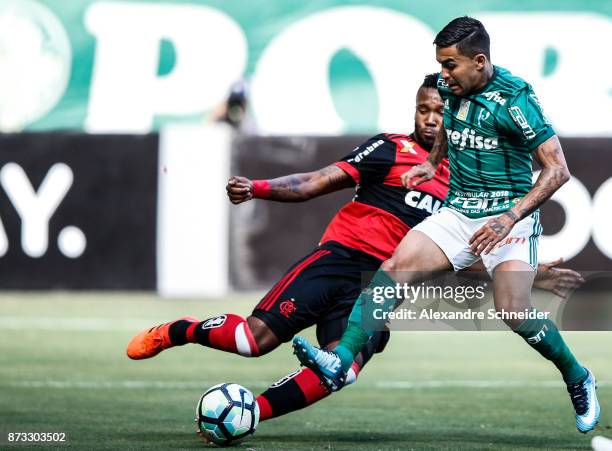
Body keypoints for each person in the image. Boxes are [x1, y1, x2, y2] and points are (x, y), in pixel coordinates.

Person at [126, 73, 581, 427]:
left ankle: (251, 414)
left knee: (339, 372)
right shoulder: (389, 149)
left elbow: (469, 256)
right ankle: (175, 332)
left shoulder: (468, 181)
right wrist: (257, 188)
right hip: (339, 259)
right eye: (422, 109)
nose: (429, 118)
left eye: (439, 111)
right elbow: (314, 182)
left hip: (380, 288)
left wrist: (530, 275)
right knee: (251, 341)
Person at [293, 17, 600, 434]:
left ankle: (577, 376)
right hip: (457, 212)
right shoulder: (452, 88)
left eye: (450, 65)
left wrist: (510, 217)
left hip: (508, 216)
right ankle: (340, 360)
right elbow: (450, 129)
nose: (443, 74)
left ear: (479, 61)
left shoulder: (516, 99)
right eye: (440, 65)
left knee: (513, 309)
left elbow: (557, 170)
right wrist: (431, 163)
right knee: (395, 268)